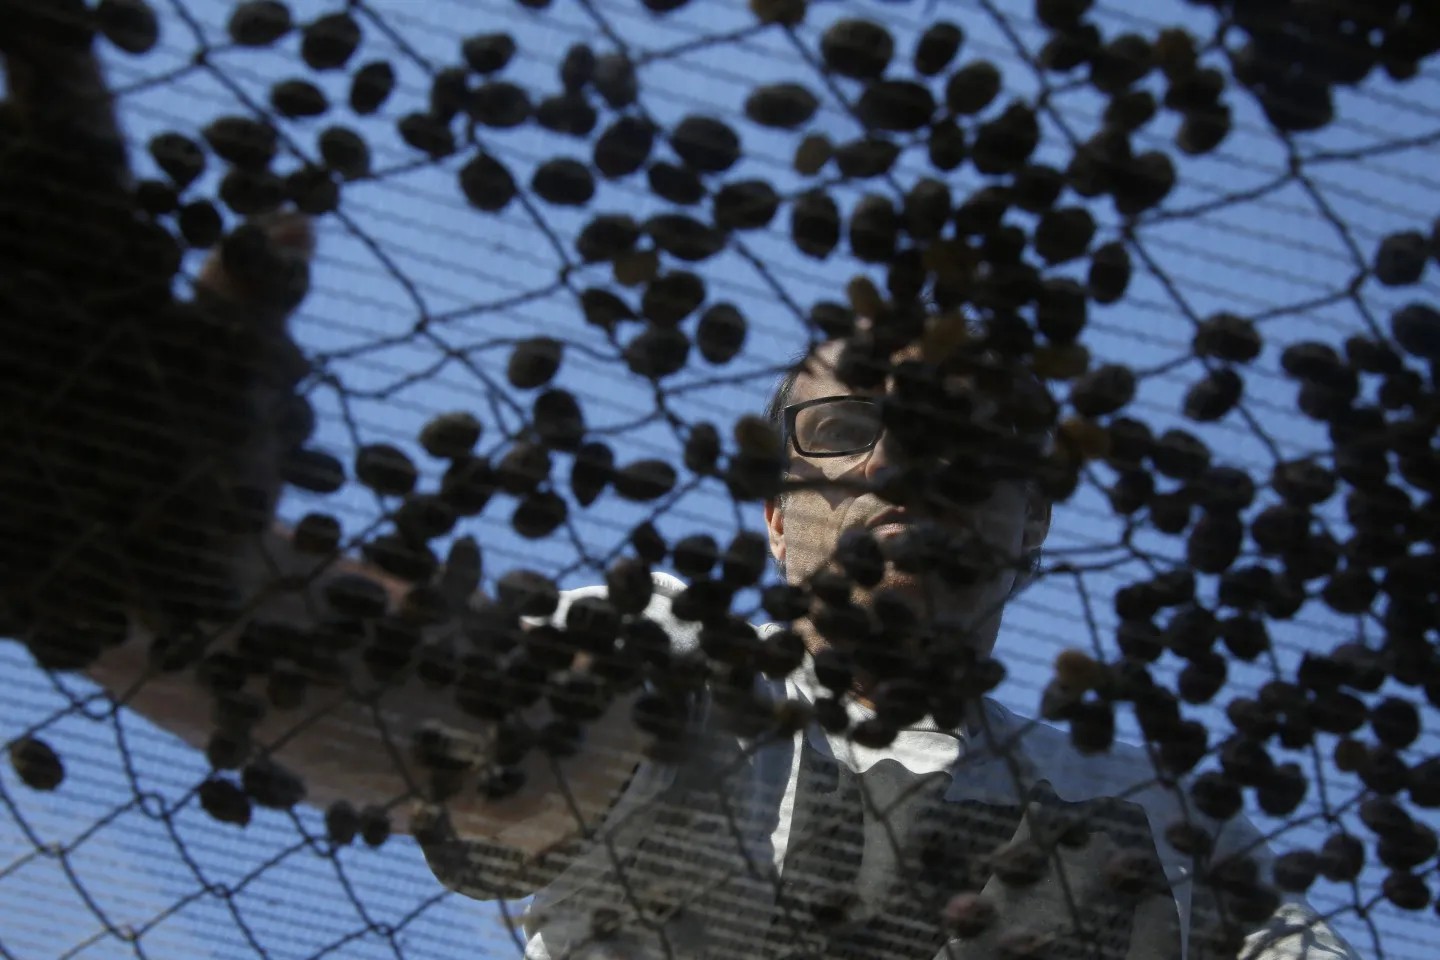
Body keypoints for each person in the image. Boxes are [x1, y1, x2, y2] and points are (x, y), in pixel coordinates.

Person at [4, 26, 1360, 960]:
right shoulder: (687, 664)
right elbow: (496, 737)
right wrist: (166, 590)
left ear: (1032, 532)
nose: (918, 464)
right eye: (853, 427)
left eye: (985, 442)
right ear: (775, 519)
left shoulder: (1183, 831)